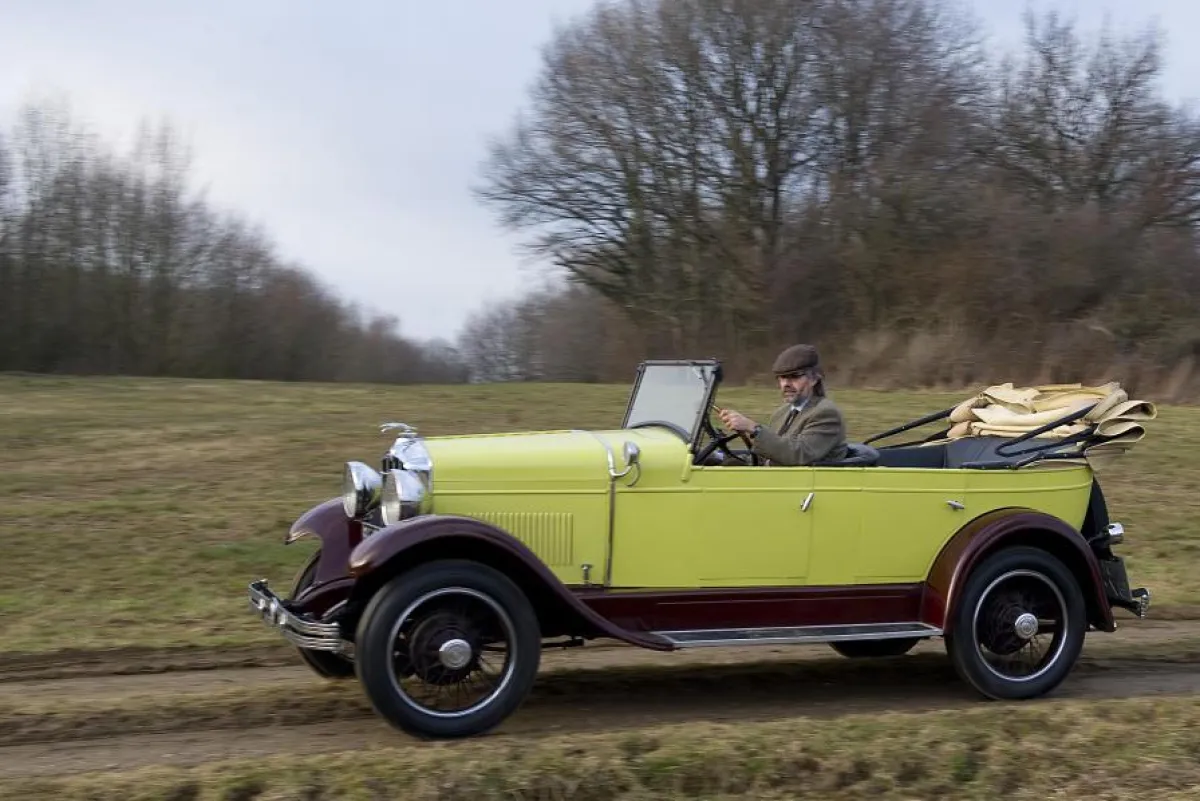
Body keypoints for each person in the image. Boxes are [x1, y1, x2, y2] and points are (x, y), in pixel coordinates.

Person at [717, 344, 849, 466]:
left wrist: (753, 428)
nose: (786, 384)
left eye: (794, 376)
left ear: (813, 379)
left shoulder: (826, 414)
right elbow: (771, 455)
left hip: (806, 485)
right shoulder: (781, 413)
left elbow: (798, 454)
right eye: (782, 377)